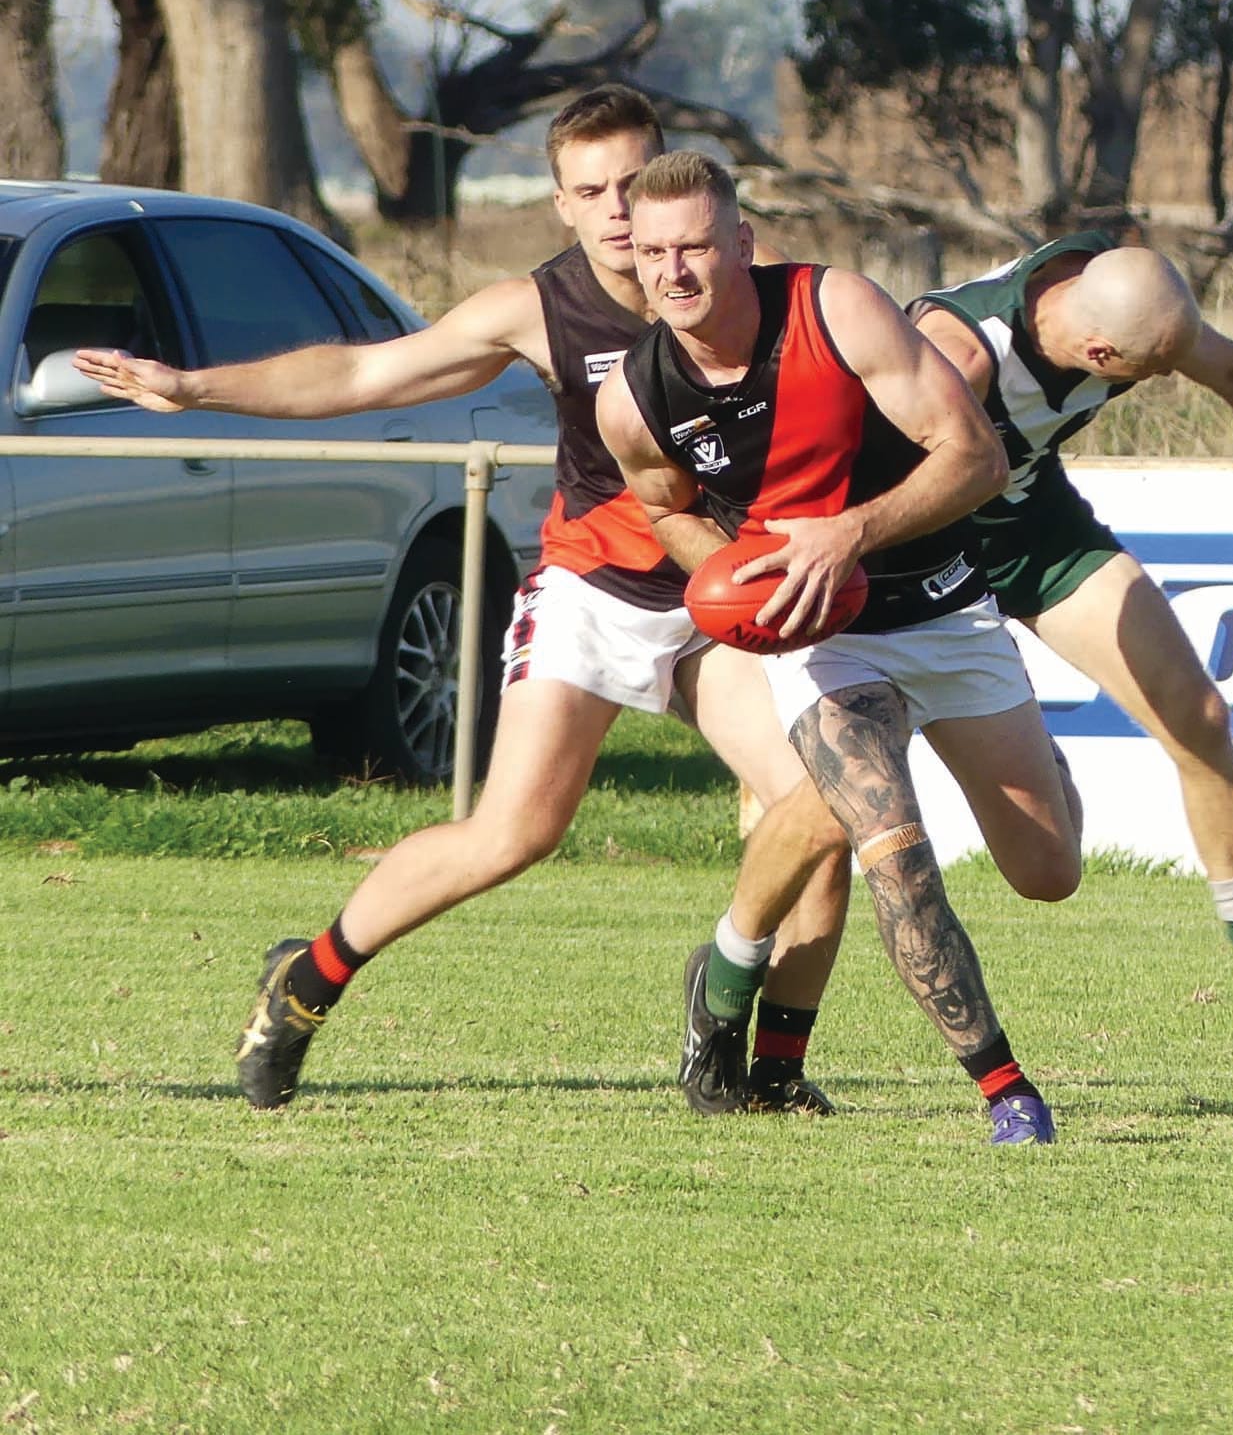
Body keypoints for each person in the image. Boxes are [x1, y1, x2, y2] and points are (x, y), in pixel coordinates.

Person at [73, 85, 851, 1115]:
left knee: (826, 807)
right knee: (512, 833)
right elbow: (361, 373)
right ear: (563, 206)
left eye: (633, 181)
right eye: (591, 190)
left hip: (718, 600)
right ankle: (307, 978)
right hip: (594, 593)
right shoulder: (536, 308)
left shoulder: (754, 284)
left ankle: (765, 1068)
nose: (621, 211)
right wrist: (193, 387)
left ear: (676, 183)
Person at [597, 150, 1085, 1146]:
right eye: (652, 253)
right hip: (827, 643)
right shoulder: (634, 398)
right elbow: (668, 511)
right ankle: (1005, 1088)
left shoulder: (841, 310)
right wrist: (745, 578)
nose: (675, 272)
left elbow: (977, 457)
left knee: (1048, 867)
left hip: (946, 608)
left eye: (694, 245)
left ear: (740, 241)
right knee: (891, 843)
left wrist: (847, 532)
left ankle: (725, 960)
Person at [909, 233, 1233, 1021]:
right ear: (1097, 349)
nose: (1162, 379)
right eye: (1147, 370)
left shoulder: (1129, 297)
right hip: (918, 552)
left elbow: (1228, 367)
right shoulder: (959, 355)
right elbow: (846, 466)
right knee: (1045, 869)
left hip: (1031, 527)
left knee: (1198, 714)